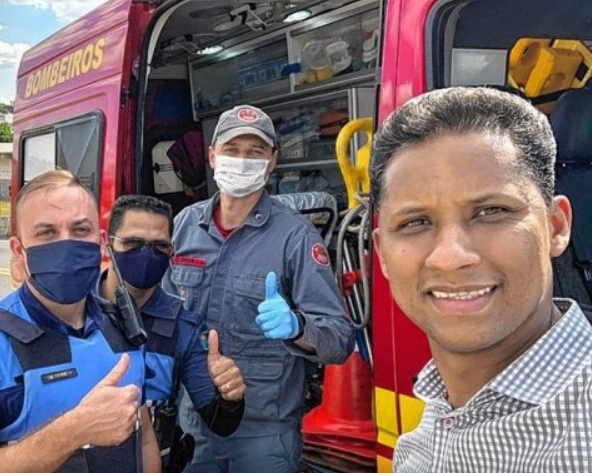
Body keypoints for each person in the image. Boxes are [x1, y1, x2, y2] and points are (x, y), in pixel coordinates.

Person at [370, 87, 592, 472]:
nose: (451, 256)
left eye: (492, 211)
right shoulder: (420, 440)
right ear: (382, 253)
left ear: (556, 227)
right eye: (415, 222)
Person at [0, 170, 154, 473]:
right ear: (19, 251)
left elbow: (144, 438)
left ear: (100, 243)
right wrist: (72, 431)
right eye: (46, 233)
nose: (66, 245)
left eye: (80, 229)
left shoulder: (124, 325)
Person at [165, 104, 355, 472]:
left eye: (255, 152)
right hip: (196, 416)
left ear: (272, 162)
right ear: (212, 156)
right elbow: (160, 313)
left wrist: (298, 327)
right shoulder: (186, 224)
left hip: (265, 431)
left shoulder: (295, 237)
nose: (242, 160)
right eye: (233, 150)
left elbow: (339, 340)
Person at [97, 194, 247, 471]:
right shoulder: (73, 312)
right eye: (133, 243)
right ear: (108, 245)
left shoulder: (184, 327)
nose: (146, 254)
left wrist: (230, 395)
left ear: (172, 252)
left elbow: (220, 423)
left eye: (159, 246)